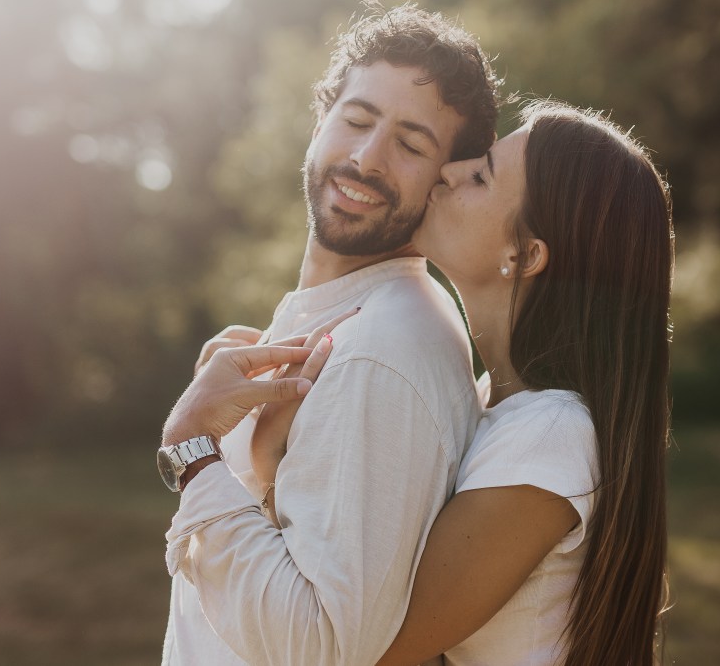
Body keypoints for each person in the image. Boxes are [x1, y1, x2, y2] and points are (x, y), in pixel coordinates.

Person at [248, 100, 674, 665]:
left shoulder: (550, 435)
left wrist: (256, 468)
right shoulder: (491, 402)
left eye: (479, 175)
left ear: (523, 254)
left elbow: (360, 650)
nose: (448, 172)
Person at [156, 1, 499, 666]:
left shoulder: (381, 350)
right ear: (320, 119)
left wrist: (190, 450)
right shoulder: (327, 315)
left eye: (411, 143)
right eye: (358, 119)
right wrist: (239, 467)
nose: (368, 158)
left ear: (446, 179)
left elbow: (324, 646)